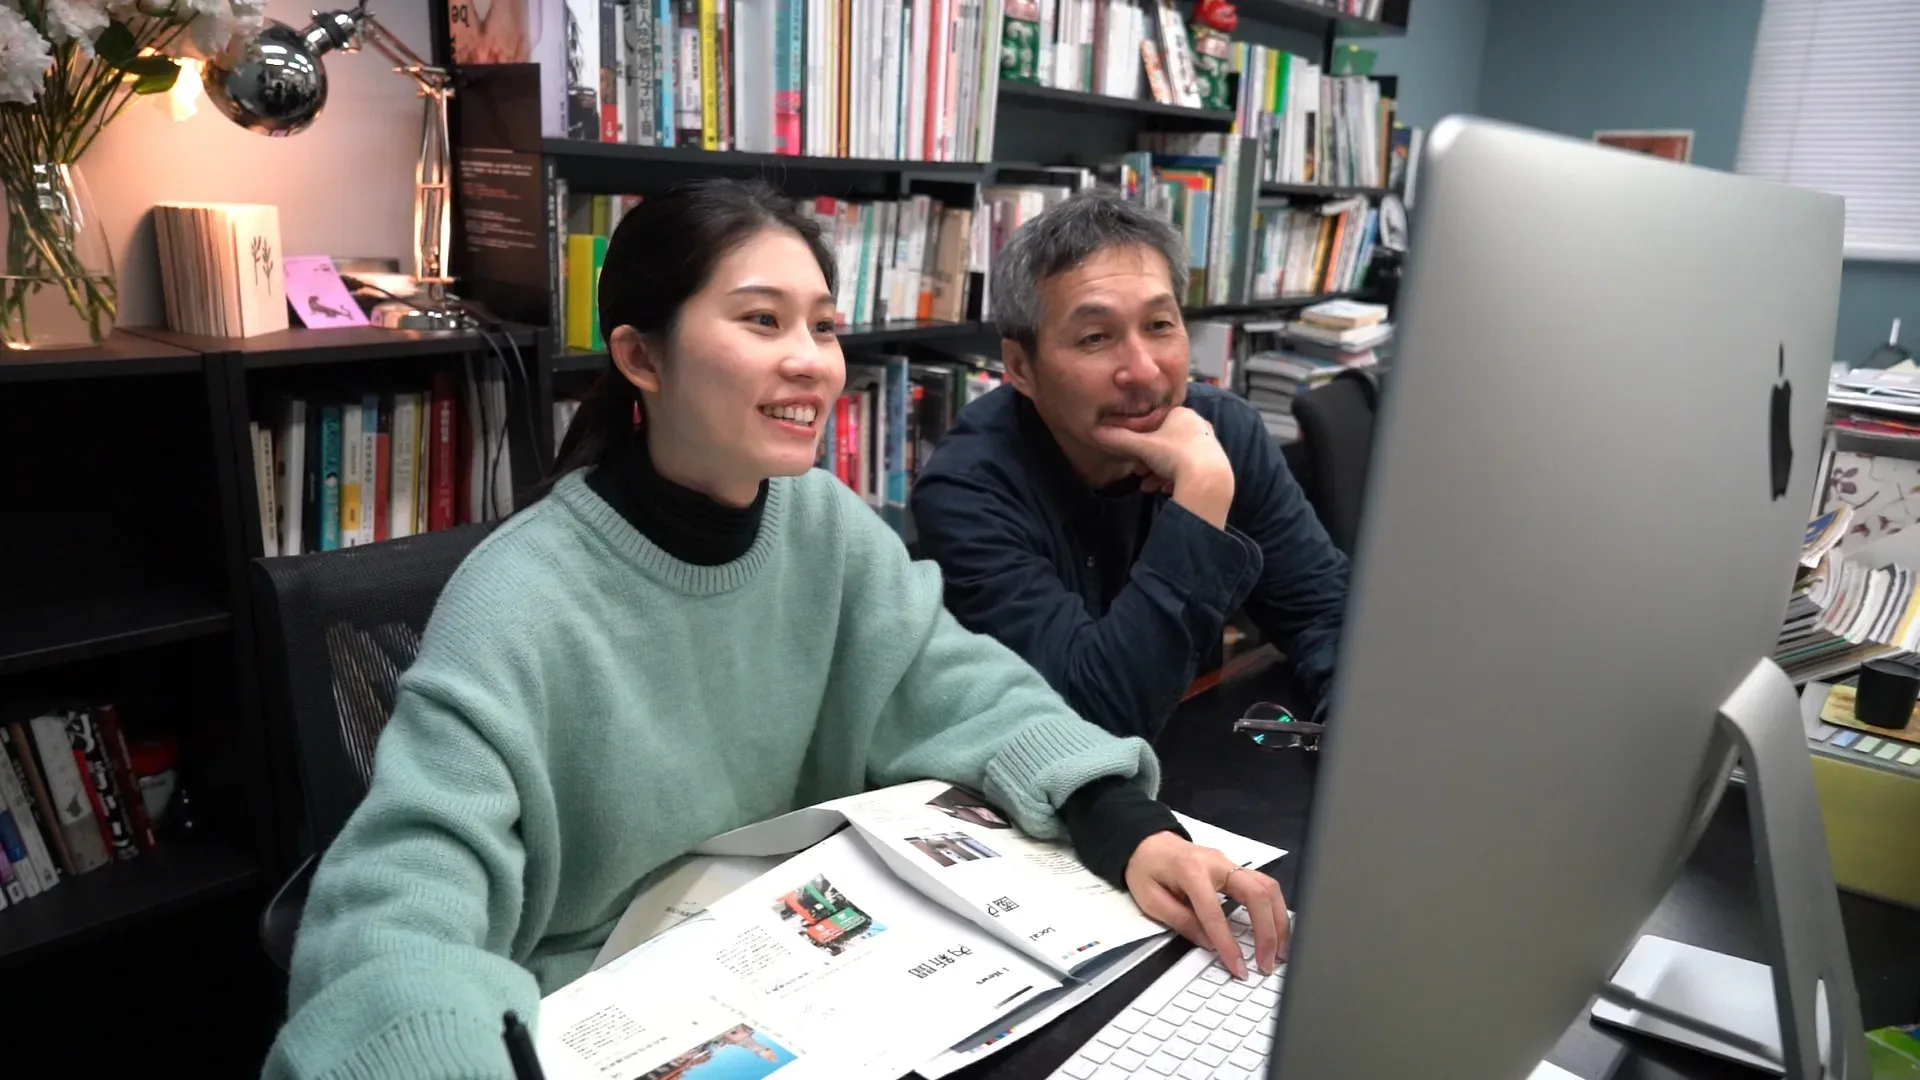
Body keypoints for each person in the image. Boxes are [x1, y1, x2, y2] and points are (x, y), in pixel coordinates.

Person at [263, 179, 1288, 1079]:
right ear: (641, 357)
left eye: (824, 327)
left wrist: (1121, 820)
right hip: (592, 1015)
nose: (811, 362)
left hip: (796, 973)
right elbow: (399, 903)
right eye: (762, 320)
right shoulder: (517, 599)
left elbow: (964, 688)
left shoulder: (822, 523)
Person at [911, 190, 1350, 742]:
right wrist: (1201, 497)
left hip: (1197, 755)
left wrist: (1357, 737)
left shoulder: (1224, 431)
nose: (1143, 371)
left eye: (1160, 325)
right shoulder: (966, 491)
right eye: (1096, 337)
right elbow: (1092, 718)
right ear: (1020, 367)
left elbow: (1328, 617)